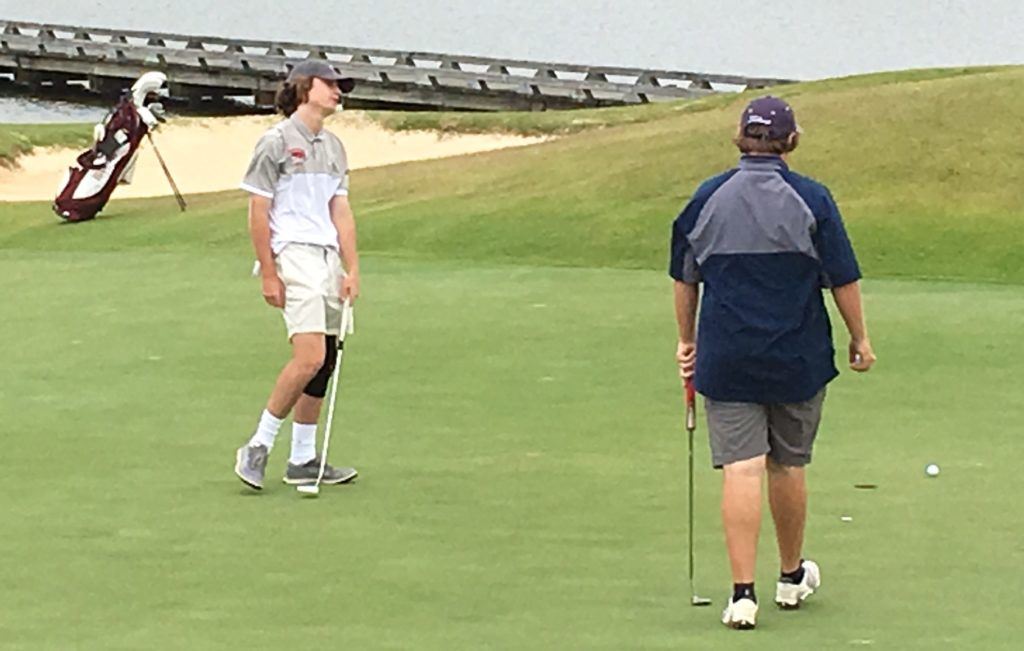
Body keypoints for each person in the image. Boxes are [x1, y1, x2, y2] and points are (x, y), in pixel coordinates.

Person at [669, 96, 876, 629]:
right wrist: (860, 339)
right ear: (791, 141)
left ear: (741, 137)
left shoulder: (706, 197)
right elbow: (842, 278)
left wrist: (685, 341)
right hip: (796, 354)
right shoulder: (812, 198)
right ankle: (789, 577)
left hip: (728, 353)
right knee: (787, 464)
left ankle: (742, 596)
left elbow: (685, 277)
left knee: (741, 468)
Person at [234, 60, 361, 491]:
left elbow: (339, 208)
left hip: (327, 258)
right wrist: (268, 272)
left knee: (325, 361)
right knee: (308, 357)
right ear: (306, 88)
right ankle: (257, 445)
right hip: (293, 254)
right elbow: (258, 210)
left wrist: (352, 267)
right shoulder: (275, 142)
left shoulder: (334, 146)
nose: (338, 92)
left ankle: (303, 458)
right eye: (331, 85)